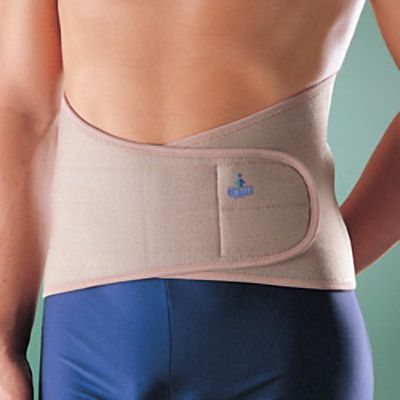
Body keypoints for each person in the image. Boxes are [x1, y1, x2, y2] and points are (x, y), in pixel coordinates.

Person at [0, 0, 398, 399]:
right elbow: (22, 104)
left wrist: (323, 247)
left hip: (277, 324)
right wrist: (4, 343)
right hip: (88, 336)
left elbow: (23, 107)